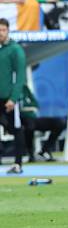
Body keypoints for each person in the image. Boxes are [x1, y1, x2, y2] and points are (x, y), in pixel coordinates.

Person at [0, 18, 26, 174]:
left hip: (8, 99)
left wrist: (13, 98)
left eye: (3, 30)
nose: (0, 33)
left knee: (16, 129)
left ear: (8, 30)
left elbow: (20, 76)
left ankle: (18, 163)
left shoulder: (15, 50)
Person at [20, 85, 65, 162]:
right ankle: (31, 154)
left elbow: (35, 104)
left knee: (59, 123)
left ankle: (45, 150)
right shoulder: (7, 89)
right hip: (18, 119)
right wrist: (25, 108)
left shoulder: (24, 88)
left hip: (32, 118)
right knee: (29, 126)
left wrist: (24, 108)